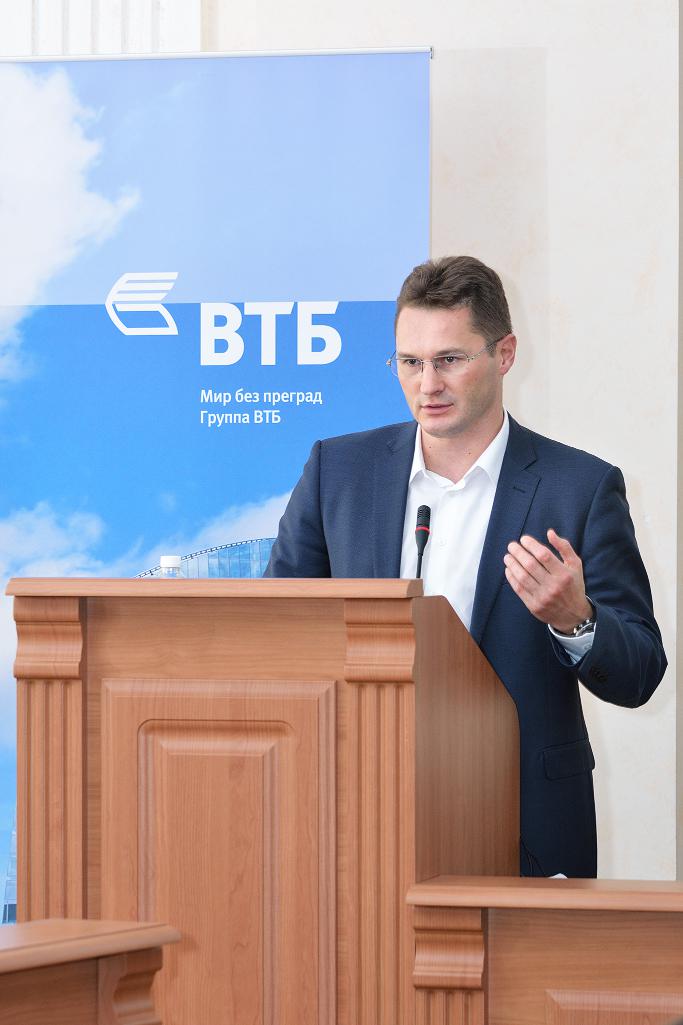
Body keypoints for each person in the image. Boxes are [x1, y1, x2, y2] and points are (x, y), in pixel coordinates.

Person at [265, 255, 666, 877]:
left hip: (524, 820)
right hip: (357, 813)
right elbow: (277, 634)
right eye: (411, 362)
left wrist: (576, 619)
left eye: (449, 359)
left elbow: (639, 674)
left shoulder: (580, 489)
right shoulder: (336, 473)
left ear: (504, 354)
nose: (428, 384)